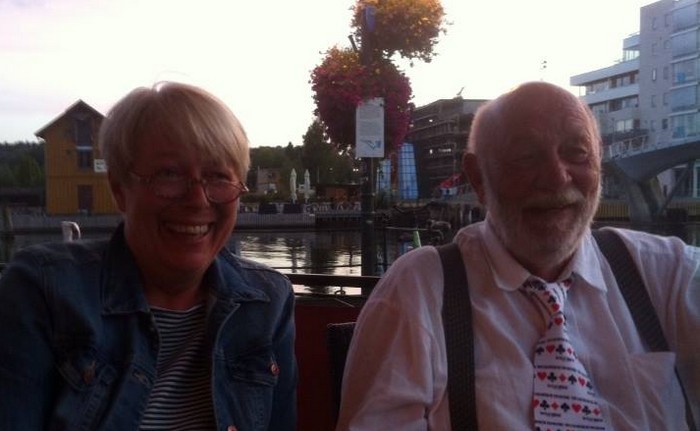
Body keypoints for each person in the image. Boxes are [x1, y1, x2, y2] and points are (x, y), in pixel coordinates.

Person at [336, 81, 699, 430]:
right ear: (478, 178)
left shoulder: (665, 272)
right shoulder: (421, 291)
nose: (556, 177)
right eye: (526, 157)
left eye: (576, 152)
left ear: (599, 161)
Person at [0, 82, 297, 430]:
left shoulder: (267, 302)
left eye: (218, 176)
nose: (198, 200)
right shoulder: (43, 292)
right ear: (119, 189)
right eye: (169, 174)